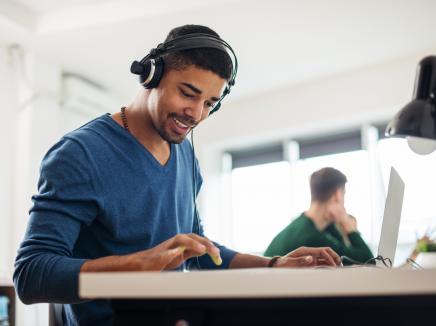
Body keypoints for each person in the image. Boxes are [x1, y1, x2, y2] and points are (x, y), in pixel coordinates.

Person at [13, 25, 340, 325]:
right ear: (151, 76)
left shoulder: (184, 153)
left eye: (209, 103)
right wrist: (141, 264)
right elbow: (30, 274)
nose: (197, 114)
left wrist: (272, 264)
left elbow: (196, 253)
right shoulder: (80, 154)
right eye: (188, 93)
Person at [264, 167, 373, 265]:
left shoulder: (304, 225)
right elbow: (369, 261)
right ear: (338, 195)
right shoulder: (311, 237)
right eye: (344, 195)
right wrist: (348, 226)